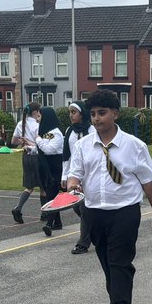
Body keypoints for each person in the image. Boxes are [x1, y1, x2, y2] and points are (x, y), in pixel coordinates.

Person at [66, 89, 152, 304]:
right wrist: (72, 186)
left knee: (118, 259)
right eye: (93, 114)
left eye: (102, 113)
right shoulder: (83, 146)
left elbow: (148, 181)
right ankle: (120, 295)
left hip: (125, 211)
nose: (96, 118)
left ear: (115, 114)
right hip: (94, 212)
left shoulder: (134, 146)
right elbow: (74, 175)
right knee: (107, 261)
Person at [62, 100, 94, 254]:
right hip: (74, 175)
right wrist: (65, 176)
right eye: (70, 112)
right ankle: (93, 227)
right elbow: (66, 155)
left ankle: (83, 243)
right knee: (77, 206)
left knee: (84, 207)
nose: (71, 115)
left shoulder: (92, 130)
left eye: (73, 112)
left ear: (82, 114)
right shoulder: (69, 131)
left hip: (89, 174)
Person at [36, 106, 66, 237]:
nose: (39, 119)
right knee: (52, 194)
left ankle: (49, 224)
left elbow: (49, 149)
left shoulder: (55, 132)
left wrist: (37, 139)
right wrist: (31, 147)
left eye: (40, 116)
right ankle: (57, 222)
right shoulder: (47, 132)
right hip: (49, 167)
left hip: (56, 167)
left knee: (52, 195)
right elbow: (43, 146)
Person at [11, 102, 43, 223]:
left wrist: (23, 141)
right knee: (43, 187)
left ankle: (18, 208)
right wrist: (30, 142)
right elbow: (40, 144)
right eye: (39, 111)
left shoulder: (21, 123)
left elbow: (13, 141)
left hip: (26, 156)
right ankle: (44, 214)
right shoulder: (37, 125)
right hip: (37, 156)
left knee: (29, 187)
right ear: (35, 112)